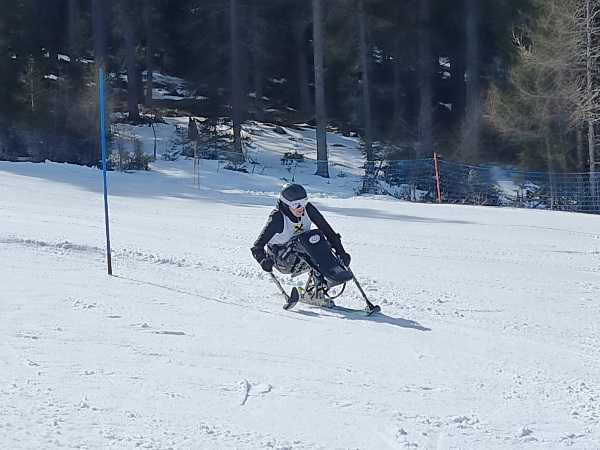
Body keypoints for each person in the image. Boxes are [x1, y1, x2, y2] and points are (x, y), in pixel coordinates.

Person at [251, 183, 353, 303]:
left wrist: (341, 252)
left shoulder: (307, 209)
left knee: (317, 237)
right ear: (286, 204)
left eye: (304, 202)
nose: (301, 208)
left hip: (303, 251)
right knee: (305, 240)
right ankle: (324, 279)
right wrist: (263, 260)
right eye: (296, 204)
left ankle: (320, 286)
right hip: (282, 260)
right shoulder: (278, 218)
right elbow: (257, 247)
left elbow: (328, 231)